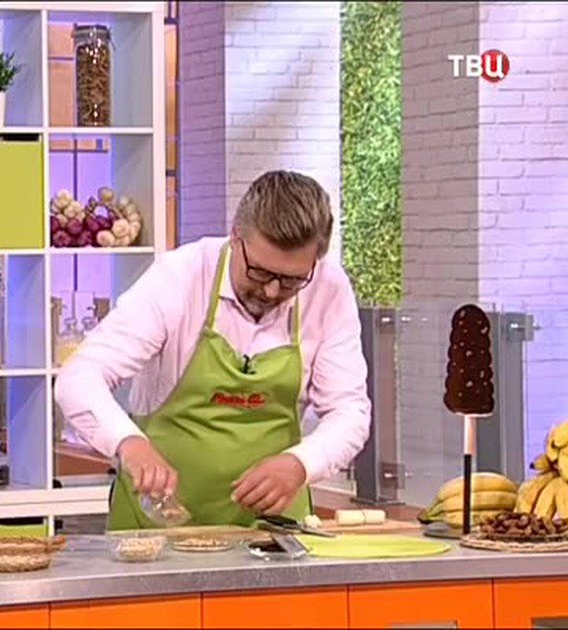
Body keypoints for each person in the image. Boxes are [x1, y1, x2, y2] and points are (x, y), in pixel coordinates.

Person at [55, 170, 371, 530]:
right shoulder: (180, 276)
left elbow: (349, 411)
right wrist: (127, 442)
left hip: (274, 531)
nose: (271, 291)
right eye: (259, 272)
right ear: (235, 236)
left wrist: (301, 463)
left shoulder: (328, 289)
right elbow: (79, 376)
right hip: (157, 526)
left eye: (292, 280)